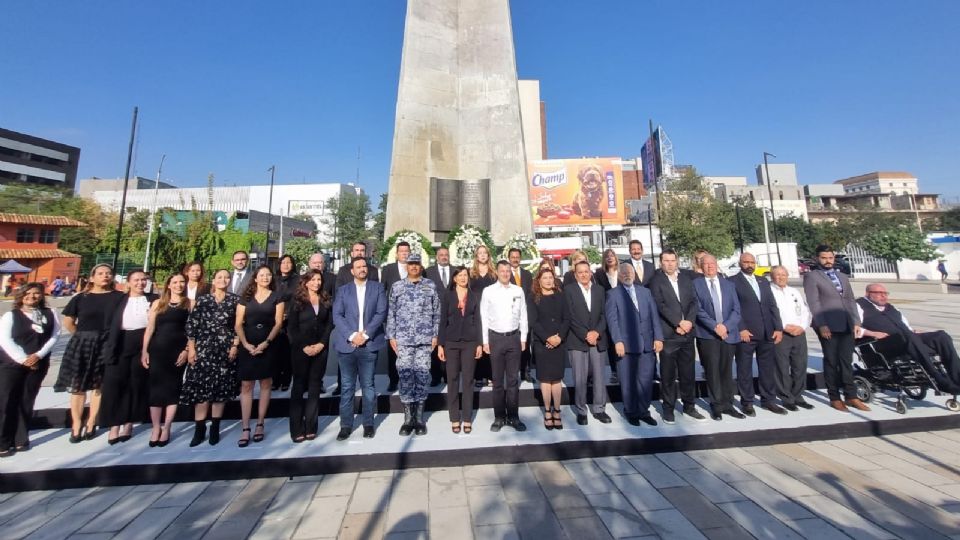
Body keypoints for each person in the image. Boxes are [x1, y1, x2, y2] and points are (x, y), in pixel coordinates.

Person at [55, 263, 124, 442]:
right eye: (100, 273)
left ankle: (91, 421)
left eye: (108, 273)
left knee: (99, 385)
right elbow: (69, 322)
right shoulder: (81, 298)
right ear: (92, 277)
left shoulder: (119, 297)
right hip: (83, 342)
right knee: (78, 385)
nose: (105, 276)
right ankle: (76, 423)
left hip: (106, 343)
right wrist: (83, 336)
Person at [856, 283, 960, 393]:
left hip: (907, 339)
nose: (884, 296)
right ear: (868, 294)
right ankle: (937, 377)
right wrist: (872, 333)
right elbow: (853, 328)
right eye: (879, 293)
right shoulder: (858, 305)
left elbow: (906, 326)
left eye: (885, 293)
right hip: (883, 344)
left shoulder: (891, 307)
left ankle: (956, 376)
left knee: (941, 336)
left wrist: (913, 331)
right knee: (909, 337)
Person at [804, 244, 869, 412]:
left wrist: (856, 322)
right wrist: (822, 324)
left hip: (846, 323)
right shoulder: (812, 277)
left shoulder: (842, 276)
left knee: (846, 361)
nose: (828, 261)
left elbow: (850, 300)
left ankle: (851, 395)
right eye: (824, 258)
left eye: (830, 258)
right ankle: (834, 397)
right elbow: (814, 302)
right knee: (831, 361)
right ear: (817, 259)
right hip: (827, 325)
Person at [181, 269, 240, 446]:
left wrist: (235, 345)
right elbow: (192, 326)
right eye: (219, 277)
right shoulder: (203, 300)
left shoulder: (234, 300)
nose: (223, 280)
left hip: (224, 350)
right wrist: (191, 349)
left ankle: (215, 427)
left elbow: (239, 325)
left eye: (226, 277)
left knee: (220, 392)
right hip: (203, 349)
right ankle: (199, 429)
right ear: (213, 280)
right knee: (201, 391)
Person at [0, 283, 60, 456]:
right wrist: (23, 359)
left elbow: (54, 336)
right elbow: (4, 340)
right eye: (28, 293)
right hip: (11, 364)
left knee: (27, 400)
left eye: (36, 293)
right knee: (6, 401)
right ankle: (3, 441)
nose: (32, 296)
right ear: (21, 295)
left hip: (38, 363)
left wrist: (39, 355)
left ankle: (20, 438)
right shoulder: (11, 315)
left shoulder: (50, 313)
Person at [333, 257, 387, 441]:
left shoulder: (378, 288)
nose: (362, 269)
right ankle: (346, 425)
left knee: (368, 386)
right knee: (347, 387)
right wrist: (352, 335)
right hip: (347, 345)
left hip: (369, 344)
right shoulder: (343, 290)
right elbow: (337, 315)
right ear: (352, 271)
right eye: (358, 267)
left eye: (364, 266)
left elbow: (381, 312)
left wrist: (364, 335)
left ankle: (368, 424)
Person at [100, 270, 157, 445]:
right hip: (121, 342)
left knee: (135, 383)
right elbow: (108, 324)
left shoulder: (153, 299)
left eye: (143, 280)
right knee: (115, 384)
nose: (140, 283)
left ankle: (129, 423)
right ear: (129, 282)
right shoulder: (118, 299)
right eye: (137, 280)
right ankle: (114, 425)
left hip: (143, 342)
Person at [386, 253, 440, 436]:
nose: (414, 267)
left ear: (421, 266)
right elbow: (391, 312)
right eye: (411, 264)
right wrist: (391, 336)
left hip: (424, 341)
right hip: (404, 341)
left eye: (417, 264)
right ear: (406, 266)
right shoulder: (397, 287)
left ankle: (419, 418)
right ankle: (407, 419)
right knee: (406, 375)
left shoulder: (430, 286)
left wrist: (435, 335)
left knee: (423, 376)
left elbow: (436, 313)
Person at [649, 249, 705, 423]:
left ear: (677, 261)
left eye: (673, 260)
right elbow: (660, 305)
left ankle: (689, 406)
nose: (670, 264)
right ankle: (668, 409)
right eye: (666, 261)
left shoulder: (687, 279)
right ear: (661, 263)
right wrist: (678, 323)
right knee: (668, 375)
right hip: (669, 335)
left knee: (688, 373)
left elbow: (694, 302)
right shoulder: (656, 281)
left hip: (688, 334)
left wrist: (688, 321)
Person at [606, 263, 663, 426]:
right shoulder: (612, 294)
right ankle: (631, 411)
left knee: (645, 380)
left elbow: (654, 316)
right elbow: (612, 320)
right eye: (623, 272)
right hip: (626, 345)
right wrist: (617, 341)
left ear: (634, 273)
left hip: (646, 344)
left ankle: (644, 411)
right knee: (628, 380)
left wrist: (658, 337)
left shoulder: (645, 292)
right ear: (618, 275)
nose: (626, 274)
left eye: (629, 271)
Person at [234, 265, 285, 446]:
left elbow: (278, 323)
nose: (265, 277)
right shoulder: (245, 298)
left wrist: (266, 343)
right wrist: (245, 344)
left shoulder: (277, 297)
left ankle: (260, 423)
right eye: (262, 275)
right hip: (248, 343)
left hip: (268, 344)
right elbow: (238, 324)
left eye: (268, 275)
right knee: (247, 385)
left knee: (265, 383)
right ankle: (246, 426)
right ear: (255, 278)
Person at [730, 252, 786, 416]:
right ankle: (747, 402)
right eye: (746, 262)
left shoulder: (763, 281)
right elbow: (733, 307)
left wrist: (778, 328)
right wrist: (741, 328)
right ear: (740, 263)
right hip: (747, 333)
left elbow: (772, 305)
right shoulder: (733, 281)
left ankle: (769, 400)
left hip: (767, 332)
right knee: (744, 369)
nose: (749, 265)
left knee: (767, 368)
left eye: (752, 262)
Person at [141, 273, 191, 447]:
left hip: (177, 350)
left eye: (181, 282)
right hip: (158, 349)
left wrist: (186, 350)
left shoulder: (190, 304)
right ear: (169, 285)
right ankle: (156, 427)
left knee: (173, 387)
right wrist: (144, 350)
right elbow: (150, 329)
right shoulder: (158, 303)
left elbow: (192, 331)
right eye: (175, 282)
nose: (178, 285)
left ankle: (167, 426)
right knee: (155, 388)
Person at [693, 254, 744, 421]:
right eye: (706, 264)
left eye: (712, 263)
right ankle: (716, 405)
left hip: (729, 334)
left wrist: (726, 326)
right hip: (708, 335)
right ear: (701, 266)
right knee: (712, 371)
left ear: (717, 265)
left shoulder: (728, 284)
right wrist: (715, 326)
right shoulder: (695, 284)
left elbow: (736, 309)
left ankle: (728, 404)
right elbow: (698, 310)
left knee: (727, 371)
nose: (710, 266)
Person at [481, 259, 528, 432]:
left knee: (513, 380)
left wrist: (523, 338)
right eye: (502, 271)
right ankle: (499, 417)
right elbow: (483, 316)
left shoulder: (518, 290)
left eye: (508, 271)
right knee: (498, 381)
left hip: (514, 338)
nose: (505, 274)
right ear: (497, 272)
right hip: (495, 339)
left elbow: (523, 314)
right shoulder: (489, 291)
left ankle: (514, 417)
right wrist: (485, 341)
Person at [287, 269, 333, 442]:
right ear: (305, 282)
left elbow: (329, 324)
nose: (316, 283)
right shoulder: (297, 300)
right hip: (301, 350)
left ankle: (311, 426)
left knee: (314, 388)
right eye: (312, 280)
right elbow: (292, 327)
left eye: (319, 280)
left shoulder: (326, 299)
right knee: (299, 387)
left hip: (320, 349)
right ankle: (296, 428)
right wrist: (304, 346)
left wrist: (321, 344)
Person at [564, 260, 612, 425]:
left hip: (598, 339)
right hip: (578, 340)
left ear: (590, 273)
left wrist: (596, 332)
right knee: (580, 377)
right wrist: (585, 334)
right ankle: (581, 410)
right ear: (575, 274)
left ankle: (599, 409)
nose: (584, 275)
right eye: (580, 272)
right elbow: (569, 316)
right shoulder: (569, 290)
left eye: (586, 271)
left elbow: (605, 315)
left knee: (599, 376)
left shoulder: (599, 290)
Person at [438, 266, 482, 433]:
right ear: (454, 278)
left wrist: (479, 343)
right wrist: (440, 345)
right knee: (453, 379)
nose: (463, 278)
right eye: (460, 275)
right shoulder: (447, 296)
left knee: (469, 380)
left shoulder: (474, 296)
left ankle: (467, 417)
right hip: (451, 342)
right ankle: (455, 417)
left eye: (465, 275)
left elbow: (478, 320)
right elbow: (442, 321)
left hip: (470, 342)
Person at [768, 265, 815, 411]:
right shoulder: (768, 292)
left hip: (799, 333)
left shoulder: (794, 291)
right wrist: (783, 327)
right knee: (781, 368)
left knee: (799, 366)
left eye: (784, 274)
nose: (781, 277)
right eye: (777, 275)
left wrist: (802, 326)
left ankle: (798, 396)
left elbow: (806, 311)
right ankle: (786, 398)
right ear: (772, 276)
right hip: (781, 333)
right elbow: (770, 313)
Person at [528, 268, 568, 430]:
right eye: (545, 278)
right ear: (539, 280)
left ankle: (557, 411)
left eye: (551, 277)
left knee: (556, 379)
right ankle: (547, 411)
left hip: (559, 341)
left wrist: (559, 337)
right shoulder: (533, 299)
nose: (548, 280)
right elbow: (534, 322)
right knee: (545, 378)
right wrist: (547, 338)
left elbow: (567, 318)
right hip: (542, 343)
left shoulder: (561, 296)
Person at [382, 241, 412, 393]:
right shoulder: (388, 269)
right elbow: (383, 291)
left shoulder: (416, 267)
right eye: (402, 251)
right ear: (397, 253)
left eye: (407, 251)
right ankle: (393, 380)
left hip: (413, 318)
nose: (404, 254)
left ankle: (409, 380)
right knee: (392, 350)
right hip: (393, 317)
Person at [470, 244, 497, 388]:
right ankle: (479, 375)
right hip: (475, 312)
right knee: (478, 343)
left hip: (491, 313)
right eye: (479, 253)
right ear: (476, 256)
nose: (482, 255)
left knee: (490, 343)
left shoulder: (494, 274)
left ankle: (491, 374)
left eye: (484, 253)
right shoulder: (471, 273)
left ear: (488, 255)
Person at [425, 246, 453, 386]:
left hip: (452, 315)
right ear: (436, 257)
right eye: (441, 255)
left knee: (449, 345)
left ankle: (449, 375)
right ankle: (435, 376)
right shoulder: (428, 272)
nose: (444, 257)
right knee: (435, 345)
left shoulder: (456, 271)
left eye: (446, 254)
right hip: (433, 315)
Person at [508, 248, 535, 383]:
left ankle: (526, 371)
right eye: (513, 257)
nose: (515, 259)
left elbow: (531, 294)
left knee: (526, 344)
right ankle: (513, 373)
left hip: (525, 316)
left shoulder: (527, 274)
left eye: (517, 257)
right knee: (512, 347)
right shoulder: (505, 274)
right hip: (510, 315)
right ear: (509, 258)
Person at [272, 254, 298, 392]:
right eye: (283, 262)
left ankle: (286, 380)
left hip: (290, 320)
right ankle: (275, 380)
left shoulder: (297, 280)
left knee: (288, 352)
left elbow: (298, 298)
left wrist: (287, 314)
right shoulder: (273, 280)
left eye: (289, 262)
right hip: (274, 320)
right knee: (275, 351)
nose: (286, 265)